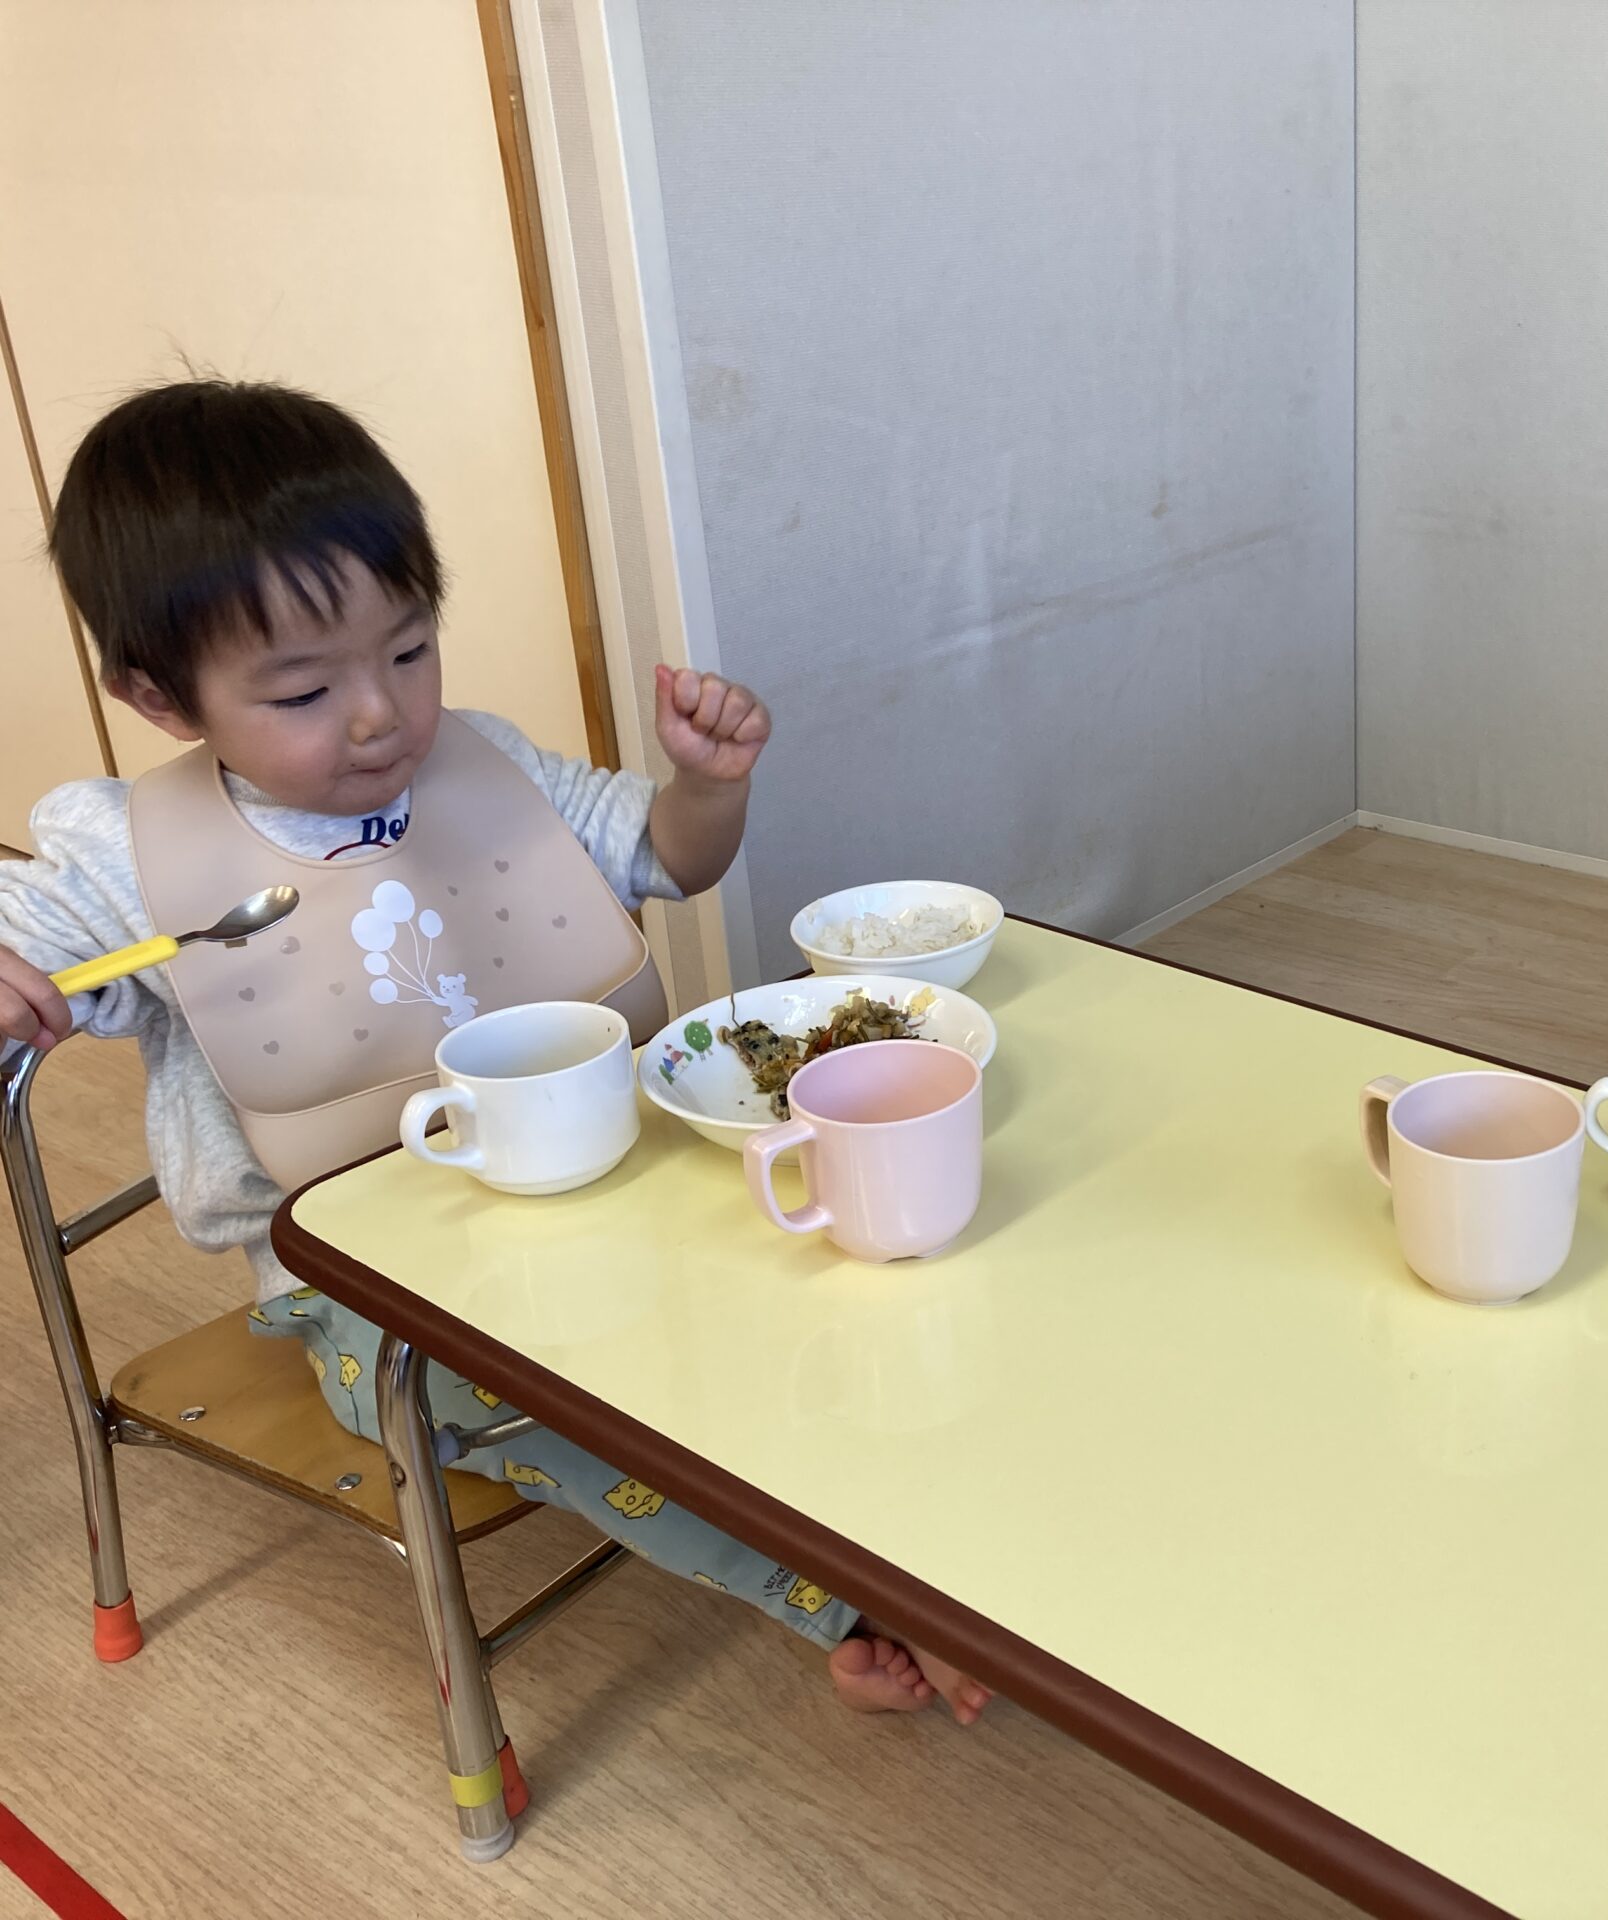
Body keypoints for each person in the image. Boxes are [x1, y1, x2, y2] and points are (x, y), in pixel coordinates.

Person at [0, 380, 987, 1720]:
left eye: (410, 652)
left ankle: (925, 1500)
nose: (380, 716)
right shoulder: (124, 856)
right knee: (541, 1399)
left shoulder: (486, 764)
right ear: (156, 695)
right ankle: (842, 1595)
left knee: (837, 1228)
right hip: (362, 1290)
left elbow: (671, 857)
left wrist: (710, 785)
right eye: (304, 689)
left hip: (602, 1185)